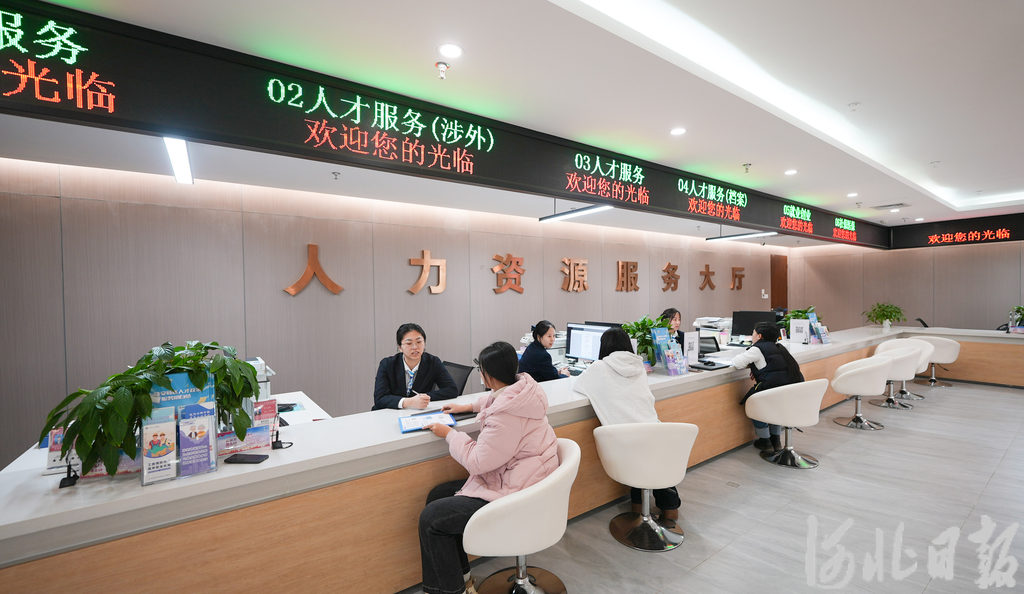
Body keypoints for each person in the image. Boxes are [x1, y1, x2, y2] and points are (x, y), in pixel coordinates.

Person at [418, 341, 558, 594]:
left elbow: (477, 462)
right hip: (528, 482)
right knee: (437, 496)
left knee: (432, 519)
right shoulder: (524, 392)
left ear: (488, 376)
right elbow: (499, 399)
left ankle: (450, 590)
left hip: (517, 494)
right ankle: (462, 579)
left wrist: (449, 434)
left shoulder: (505, 418)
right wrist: (470, 406)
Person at [571, 327, 681, 527]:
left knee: (637, 455)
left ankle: (638, 509)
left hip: (624, 443)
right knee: (651, 456)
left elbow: (579, 385)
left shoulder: (598, 367)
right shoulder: (639, 366)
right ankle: (670, 510)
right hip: (656, 434)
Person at [731, 321, 804, 452]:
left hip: (771, 392)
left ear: (759, 336)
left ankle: (765, 441)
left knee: (754, 403)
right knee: (775, 406)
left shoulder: (757, 349)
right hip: (788, 393)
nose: (752, 336)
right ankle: (776, 439)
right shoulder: (780, 348)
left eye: (753, 333)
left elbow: (737, 363)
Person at [372, 323, 457, 410]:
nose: (415, 347)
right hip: (389, 412)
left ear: (424, 344)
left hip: (418, 412)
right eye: (409, 343)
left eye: (419, 342)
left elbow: (451, 389)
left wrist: (423, 398)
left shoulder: (433, 362)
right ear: (400, 347)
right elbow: (380, 398)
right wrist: (408, 402)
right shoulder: (387, 364)